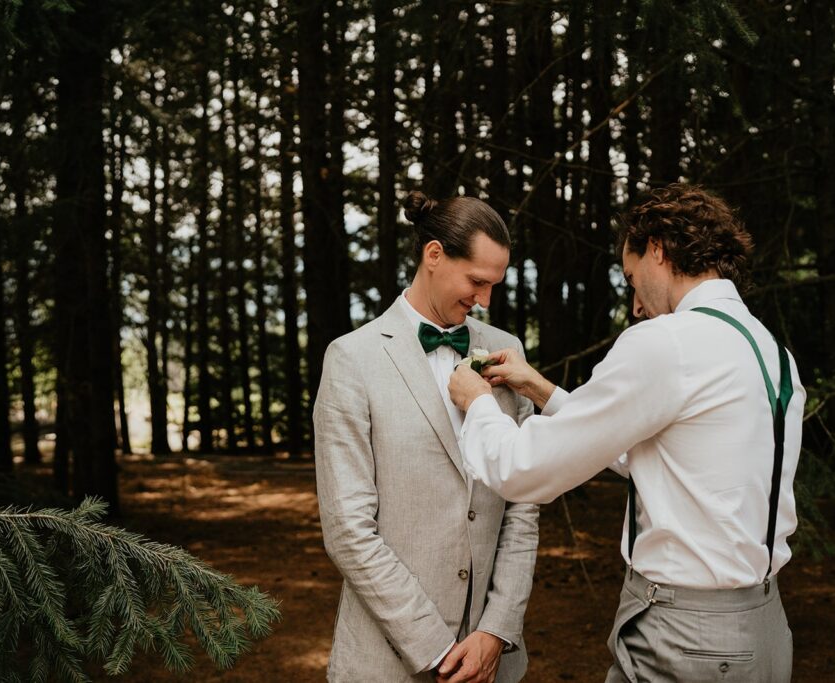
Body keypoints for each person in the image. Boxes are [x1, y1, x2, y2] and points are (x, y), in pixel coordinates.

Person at [448, 184, 805, 682]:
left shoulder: (667, 343)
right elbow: (665, 458)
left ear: (657, 248)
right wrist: (542, 390)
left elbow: (524, 471)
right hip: (762, 627)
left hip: (686, 636)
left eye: (632, 278)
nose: (636, 305)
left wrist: (479, 404)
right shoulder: (771, 353)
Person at [314, 190, 539, 683]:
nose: (485, 300)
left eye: (494, 285)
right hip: (387, 660)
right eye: (477, 281)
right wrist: (438, 647)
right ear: (433, 255)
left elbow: (522, 506)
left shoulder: (506, 352)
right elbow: (349, 531)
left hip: (492, 662)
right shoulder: (352, 359)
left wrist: (496, 631)